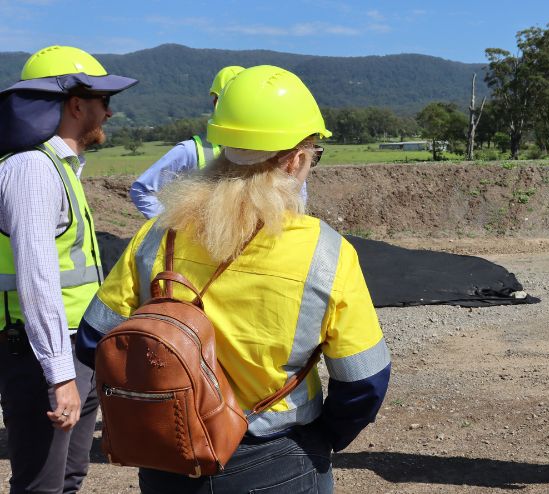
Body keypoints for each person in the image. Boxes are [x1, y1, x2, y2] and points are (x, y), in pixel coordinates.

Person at [76, 65, 391, 493]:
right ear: (296, 159)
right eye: (314, 154)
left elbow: (95, 337)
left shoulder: (158, 234)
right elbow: (364, 380)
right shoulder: (326, 252)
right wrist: (322, 439)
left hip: (169, 457)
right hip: (277, 460)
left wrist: (167, 397)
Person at [0, 45, 137, 493]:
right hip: (41, 356)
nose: (110, 113)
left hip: (74, 348)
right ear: (76, 105)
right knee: (41, 486)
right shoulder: (33, 171)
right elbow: (37, 280)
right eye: (104, 101)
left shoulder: (60, 168)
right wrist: (60, 376)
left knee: (69, 478)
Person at [129, 66, 308, 219]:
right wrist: (172, 225)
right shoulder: (192, 151)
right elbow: (142, 190)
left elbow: (296, 203)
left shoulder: (283, 156)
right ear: (217, 103)